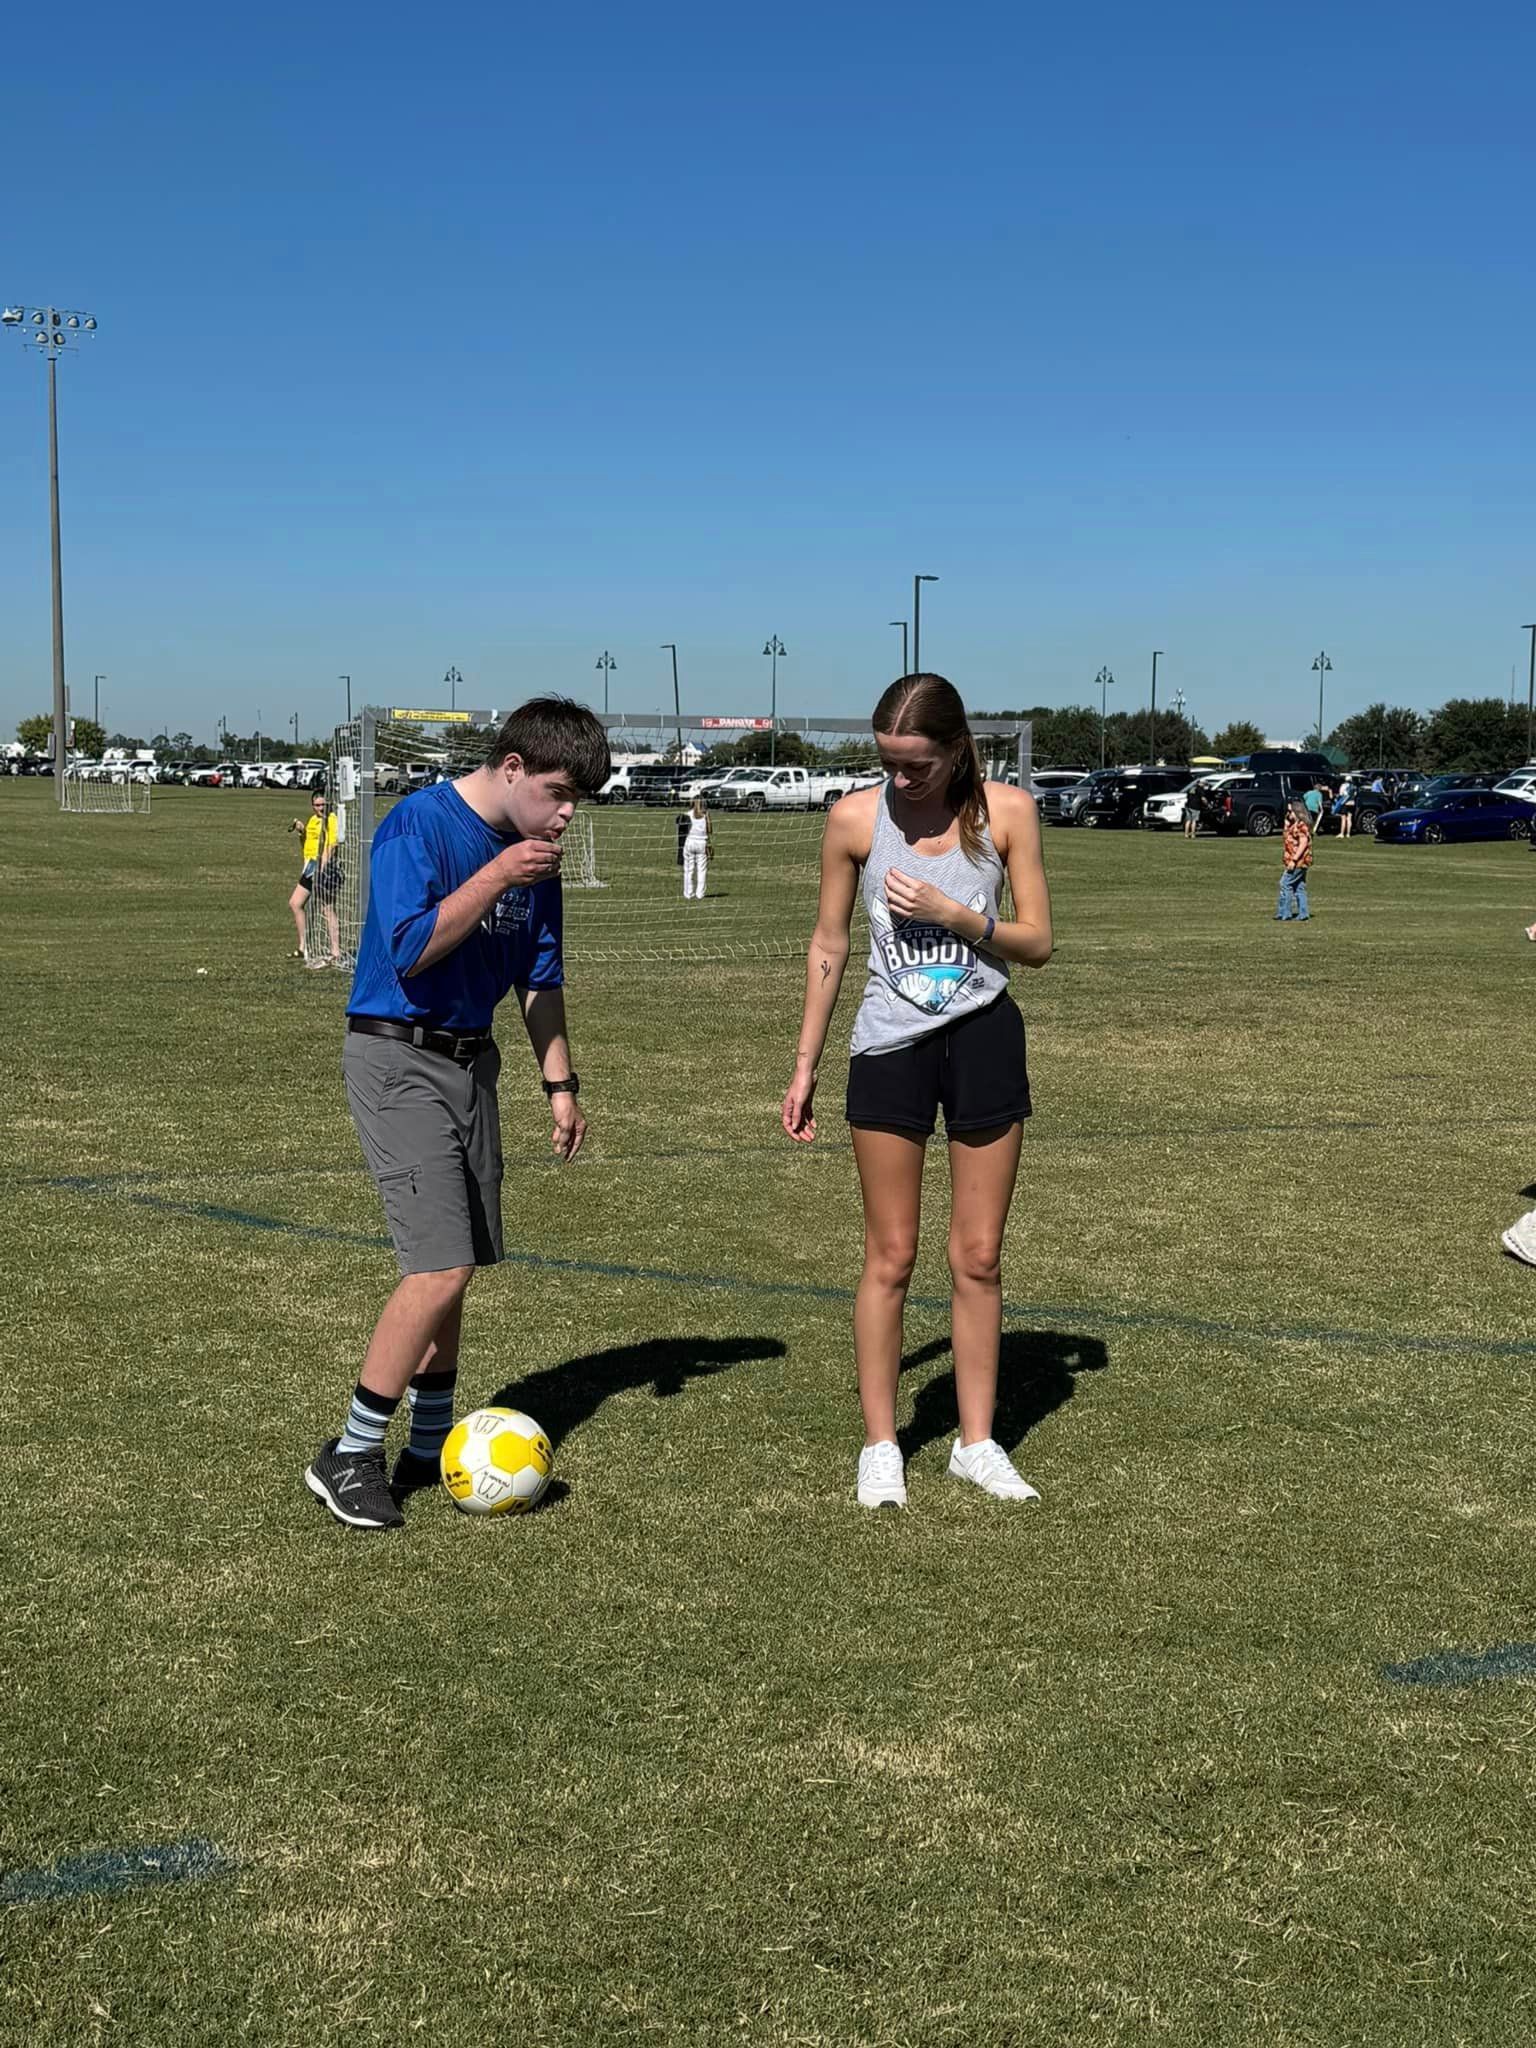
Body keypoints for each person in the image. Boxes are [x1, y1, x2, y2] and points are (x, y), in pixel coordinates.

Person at [304, 697, 611, 1531]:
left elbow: (538, 981)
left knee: (463, 1261)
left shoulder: (535, 857)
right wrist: (498, 874)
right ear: (511, 769)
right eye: (555, 792)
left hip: (473, 1062)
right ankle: (351, 1452)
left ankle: (429, 1441)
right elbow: (409, 948)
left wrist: (561, 1084)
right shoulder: (419, 827)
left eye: (578, 798)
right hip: (397, 1055)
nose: (566, 813)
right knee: (436, 1264)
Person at [781, 673, 1053, 1510]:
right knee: (889, 1256)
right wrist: (804, 1063)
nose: (902, 781)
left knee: (977, 1255)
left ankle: (976, 1443)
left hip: (983, 1038)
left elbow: (1038, 943)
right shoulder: (853, 821)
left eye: (918, 766)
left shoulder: (1008, 813)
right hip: (887, 1046)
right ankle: (881, 1445)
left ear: (958, 750)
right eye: (889, 765)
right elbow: (829, 942)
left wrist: (959, 915)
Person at [288, 789, 340, 965]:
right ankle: (303, 946)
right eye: (317, 805)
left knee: (326, 907)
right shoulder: (313, 820)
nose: (320, 808)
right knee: (295, 903)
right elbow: (306, 842)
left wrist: (322, 867)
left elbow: (332, 845)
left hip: (322, 867)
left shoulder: (331, 820)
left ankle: (335, 952)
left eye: (323, 805)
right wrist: (302, 831)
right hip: (309, 866)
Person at [1274, 800, 1313, 920]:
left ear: (1297, 811)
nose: (1288, 813)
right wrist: (1286, 824)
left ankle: (1285, 913)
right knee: (1299, 887)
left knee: (1285, 884)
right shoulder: (1293, 825)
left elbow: (1303, 843)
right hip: (1298, 861)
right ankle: (1303, 913)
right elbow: (1287, 837)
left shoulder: (1302, 825)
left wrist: (1294, 860)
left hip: (1298, 862)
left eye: (1290, 811)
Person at [682, 796, 712, 899]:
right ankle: (700, 894)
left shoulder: (687, 814)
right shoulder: (705, 814)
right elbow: (710, 830)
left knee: (688, 870)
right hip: (702, 842)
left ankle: (688, 893)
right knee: (701, 870)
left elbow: (683, 830)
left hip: (689, 841)